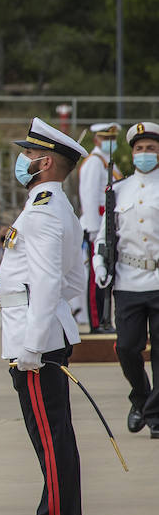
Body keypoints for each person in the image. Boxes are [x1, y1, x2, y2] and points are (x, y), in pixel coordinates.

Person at [0, 118, 88, 515]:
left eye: (29, 155)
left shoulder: (42, 209)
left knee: (51, 438)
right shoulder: (57, 207)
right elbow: (75, 278)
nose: (23, 160)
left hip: (35, 342)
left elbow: (53, 280)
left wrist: (32, 344)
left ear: (45, 161)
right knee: (54, 435)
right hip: (42, 330)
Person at [93, 121, 159, 439]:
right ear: (132, 153)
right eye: (139, 149)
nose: (144, 154)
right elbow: (105, 234)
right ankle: (142, 398)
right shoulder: (118, 190)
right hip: (129, 280)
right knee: (127, 347)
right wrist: (100, 261)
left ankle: (155, 415)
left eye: (151, 148)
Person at [77, 122, 121, 333]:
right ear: (96, 140)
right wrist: (95, 229)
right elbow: (88, 197)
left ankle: (105, 320)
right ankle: (97, 322)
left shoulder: (107, 163)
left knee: (107, 275)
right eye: (106, 138)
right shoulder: (94, 163)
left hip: (110, 223)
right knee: (97, 275)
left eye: (113, 139)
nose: (110, 143)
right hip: (98, 225)